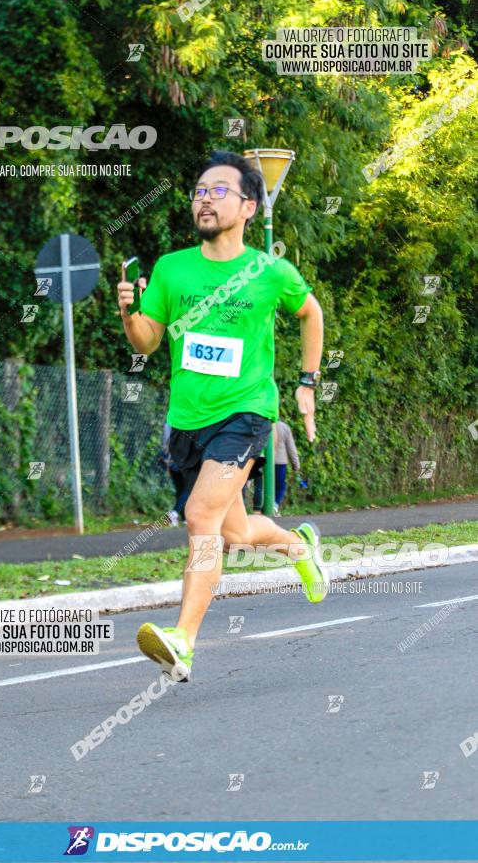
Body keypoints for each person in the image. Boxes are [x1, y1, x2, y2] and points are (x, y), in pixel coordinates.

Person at [117, 149, 327, 683]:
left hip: (247, 411)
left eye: (218, 191)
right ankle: (298, 545)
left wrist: (306, 384)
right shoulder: (171, 268)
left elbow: (311, 314)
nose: (204, 199)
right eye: (199, 191)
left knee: (199, 518)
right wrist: (128, 310)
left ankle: (183, 642)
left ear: (249, 206)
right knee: (232, 534)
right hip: (188, 418)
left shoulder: (268, 270)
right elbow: (147, 342)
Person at [160, 420, 189, 525]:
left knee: (180, 489)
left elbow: (165, 442)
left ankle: (184, 517)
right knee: (189, 488)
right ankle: (175, 513)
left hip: (169, 458)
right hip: (183, 459)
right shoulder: (188, 420)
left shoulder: (169, 420)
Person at [273, 418, 304, 512]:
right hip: (280, 462)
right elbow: (291, 448)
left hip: (265, 461)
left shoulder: (263, 425)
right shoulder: (284, 427)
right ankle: (275, 505)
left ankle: (261, 508)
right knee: (280, 486)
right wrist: (296, 465)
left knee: (264, 485)